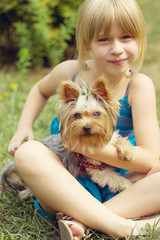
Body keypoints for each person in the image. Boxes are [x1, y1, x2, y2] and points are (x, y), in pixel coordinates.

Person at [8, 0, 160, 239]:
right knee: (27, 153)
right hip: (67, 182)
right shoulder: (70, 71)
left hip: (122, 178)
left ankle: (82, 220)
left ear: (140, 39)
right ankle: (125, 226)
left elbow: (149, 159)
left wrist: (89, 148)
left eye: (127, 37)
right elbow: (39, 89)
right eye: (104, 39)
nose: (117, 48)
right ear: (87, 42)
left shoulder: (139, 86)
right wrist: (24, 126)